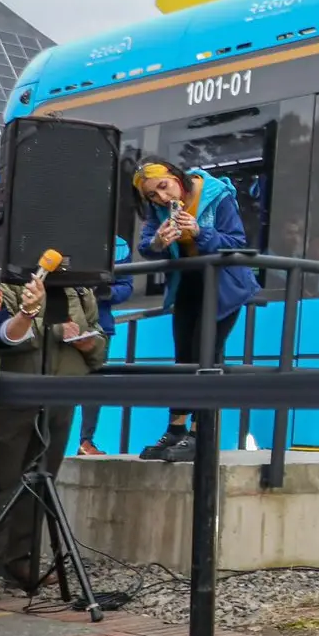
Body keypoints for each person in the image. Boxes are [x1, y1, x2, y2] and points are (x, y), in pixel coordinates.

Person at [0, 264, 108, 602]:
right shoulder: (9, 282)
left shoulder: (81, 290)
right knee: (0, 482)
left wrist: (89, 344)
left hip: (62, 394)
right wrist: (57, 332)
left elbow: (100, 348)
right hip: (15, 394)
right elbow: (0, 338)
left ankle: (22, 564)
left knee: (41, 481)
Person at [132, 159, 258, 462]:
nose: (162, 198)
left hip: (224, 284)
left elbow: (237, 243)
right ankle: (175, 430)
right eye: (152, 195)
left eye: (164, 187)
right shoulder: (159, 209)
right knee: (183, 356)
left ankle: (201, 433)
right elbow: (145, 245)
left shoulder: (216, 193)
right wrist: (159, 242)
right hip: (188, 282)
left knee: (206, 352)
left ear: (176, 177)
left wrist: (201, 232)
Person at [75, 235, 134, 456]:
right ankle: (45, 442)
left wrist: (106, 293)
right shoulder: (61, 233)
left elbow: (127, 285)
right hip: (62, 323)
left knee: (94, 384)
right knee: (56, 383)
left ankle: (86, 442)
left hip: (100, 325)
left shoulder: (119, 245)